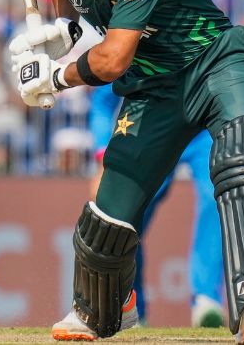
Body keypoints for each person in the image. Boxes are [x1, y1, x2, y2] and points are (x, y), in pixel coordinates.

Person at [7, 0, 244, 343]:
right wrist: (59, 36)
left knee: (243, 160)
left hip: (216, 61)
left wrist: (55, 76)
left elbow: (114, 59)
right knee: (111, 205)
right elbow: (72, 16)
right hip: (154, 87)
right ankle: (103, 308)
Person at [87, 84, 224, 328]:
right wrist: (102, 157)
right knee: (127, 213)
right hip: (153, 128)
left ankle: (207, 299)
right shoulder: (137, 56)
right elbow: (103, 100)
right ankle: (130, 306)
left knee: (216, 197)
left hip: (203, 130)